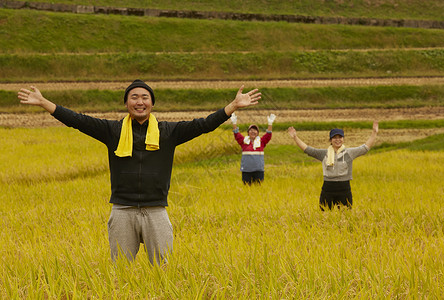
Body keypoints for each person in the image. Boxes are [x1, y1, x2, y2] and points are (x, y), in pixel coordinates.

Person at [17, 80, 261, 264]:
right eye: (134, 97)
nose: (140, 101)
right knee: (121, 271)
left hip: (156, 210)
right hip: (122, 210)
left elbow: (204, 124)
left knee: (162, 271)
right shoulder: (112, 131)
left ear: (152, 103)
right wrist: (44, 103)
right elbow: (77, 120)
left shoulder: (168, 132)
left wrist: (232, 106)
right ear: (126, 103)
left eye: (145, 97)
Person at [287, 122, 378, 210]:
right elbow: (308, 149)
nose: (337, 139)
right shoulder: (324, 154)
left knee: (345, 217)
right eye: (334, 137)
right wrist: (295, 137)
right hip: (328, 189)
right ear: (330, 140)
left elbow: (365, 148)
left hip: (344, 189)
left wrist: (374, 133)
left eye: (340, 137)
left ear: (343, 139)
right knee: (325, 216)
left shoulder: (349, 153)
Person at [230, 112, 276, 185]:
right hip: (246, 171)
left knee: (258, 190)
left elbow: (268, 135)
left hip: (258, 171)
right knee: (247, 190)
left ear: (257, 133)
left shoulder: (261, 142)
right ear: (248, 133)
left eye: (255, 130)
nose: (253, 131)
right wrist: (234, 123)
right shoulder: (243, 141)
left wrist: (270, 123)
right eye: (251, 130)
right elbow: (236, 134)